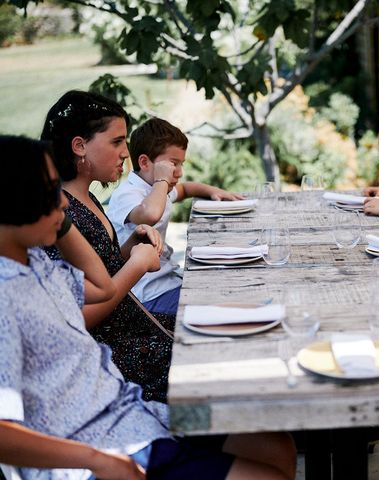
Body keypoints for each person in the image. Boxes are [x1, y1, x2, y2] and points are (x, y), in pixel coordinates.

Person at [0, 135, 296, 480]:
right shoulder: (5, 298)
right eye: (50, 192)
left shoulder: (38, 265)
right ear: (11, 199)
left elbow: (102, 285)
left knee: (275, 444)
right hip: (98, 452)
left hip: (133, 417)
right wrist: (96, 459)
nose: (63, 203)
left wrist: (58, 220)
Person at [40, 90, 174, 403]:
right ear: (79, 146)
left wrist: (131, 246)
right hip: (110, 350)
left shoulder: (87, 197)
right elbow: (78, 318)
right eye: (116, 142)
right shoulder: (56, 215)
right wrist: (137, 265)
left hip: (131, 326)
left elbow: (101, 266)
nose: (125, 153)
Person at [107, 117, 243, 316]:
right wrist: (162, 180)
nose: (179, 172)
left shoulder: (157, 187)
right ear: (144, 162)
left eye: (181, 164)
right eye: (173, 164)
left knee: (228, 283)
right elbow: (150, 215)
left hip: (167, 281)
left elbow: (186, 189)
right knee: (220, 306)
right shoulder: (128, 194)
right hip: (147, 295)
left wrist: (213, 191)